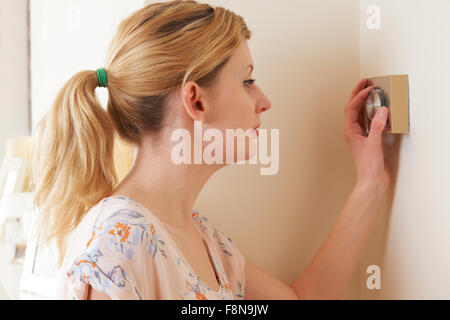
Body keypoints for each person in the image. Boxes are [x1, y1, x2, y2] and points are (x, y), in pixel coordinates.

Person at [31, 0, 389, 300]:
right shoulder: (118, 244)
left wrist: (370, 182)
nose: (264, 101)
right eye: (247, 80)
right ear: (196, 101)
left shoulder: (204, 240)